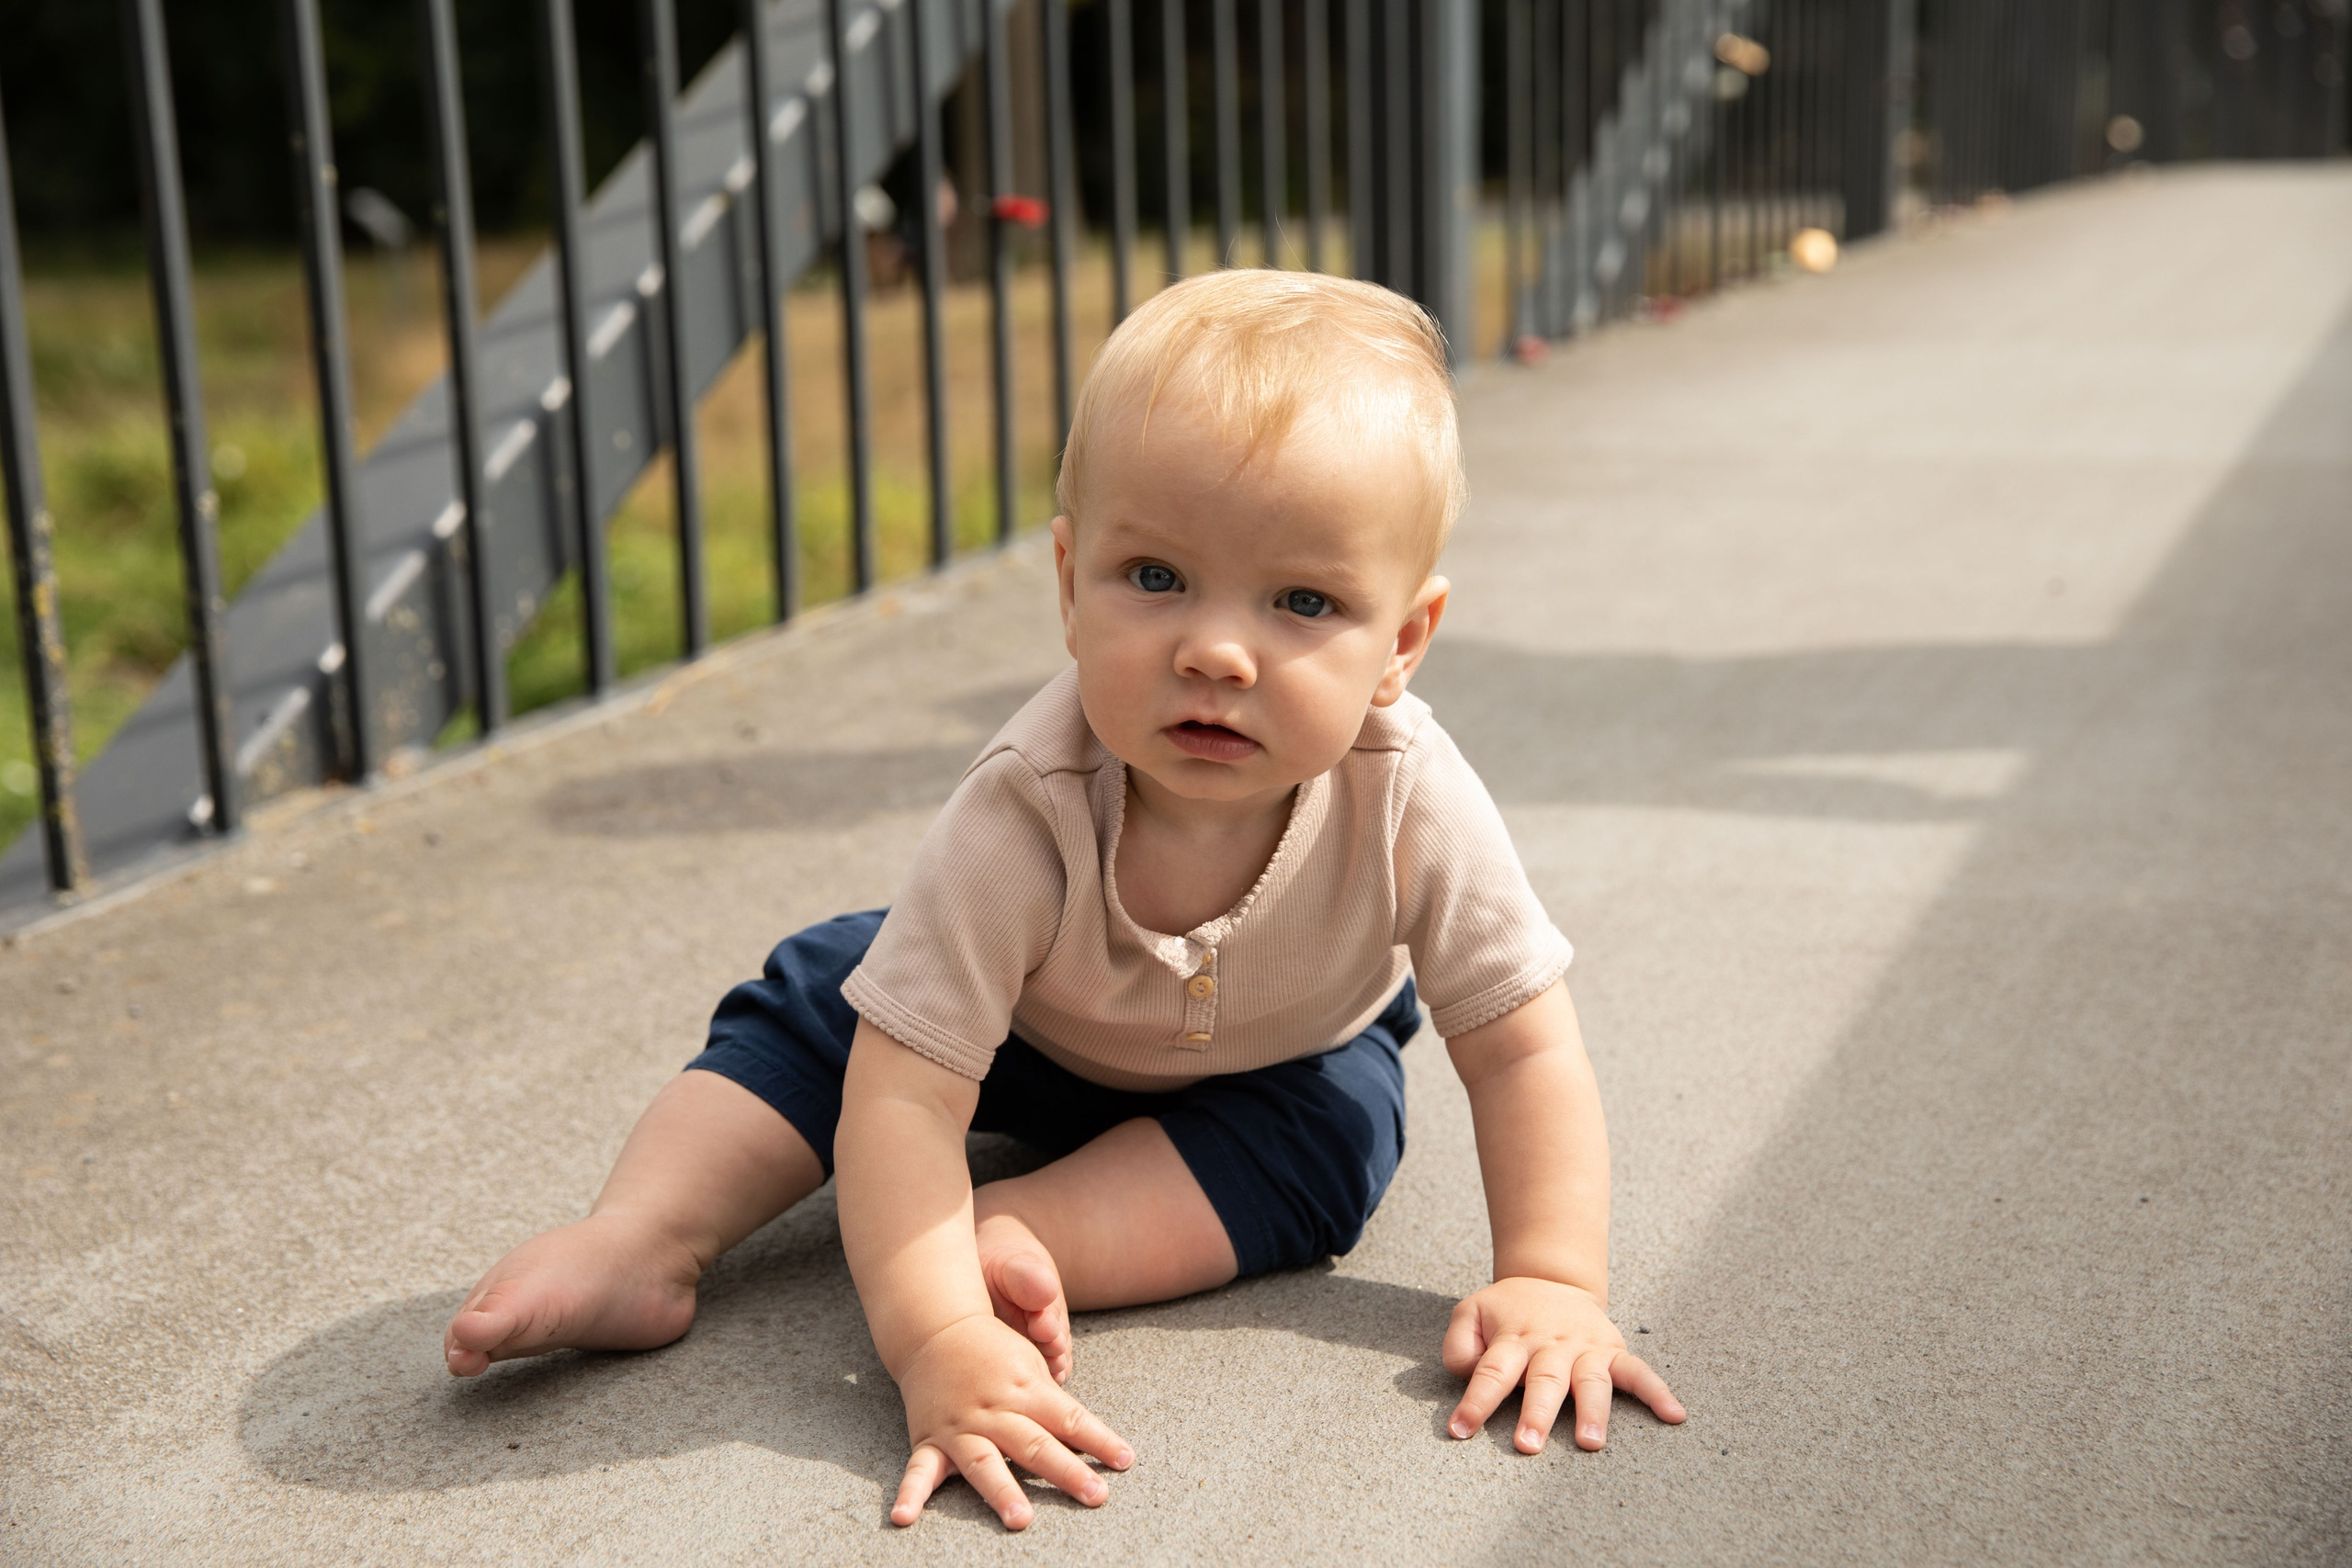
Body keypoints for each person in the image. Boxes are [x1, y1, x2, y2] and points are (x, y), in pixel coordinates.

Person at [441, 269, 1685, 1529]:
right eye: (1155, 577)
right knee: (828, 1008)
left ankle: (1022, 1230)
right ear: (1068, 580)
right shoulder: (1026, 807)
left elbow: (1521, 1047)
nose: (1216, 650)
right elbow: (911, 1095)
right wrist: (936, 1346)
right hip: (1024, 1033)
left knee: (1332, 1143)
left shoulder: (1411, 791)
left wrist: (1551, 1278)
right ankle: (644, 1236)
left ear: (1403, 643)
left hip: (1283, 1058)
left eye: (1303, 603)